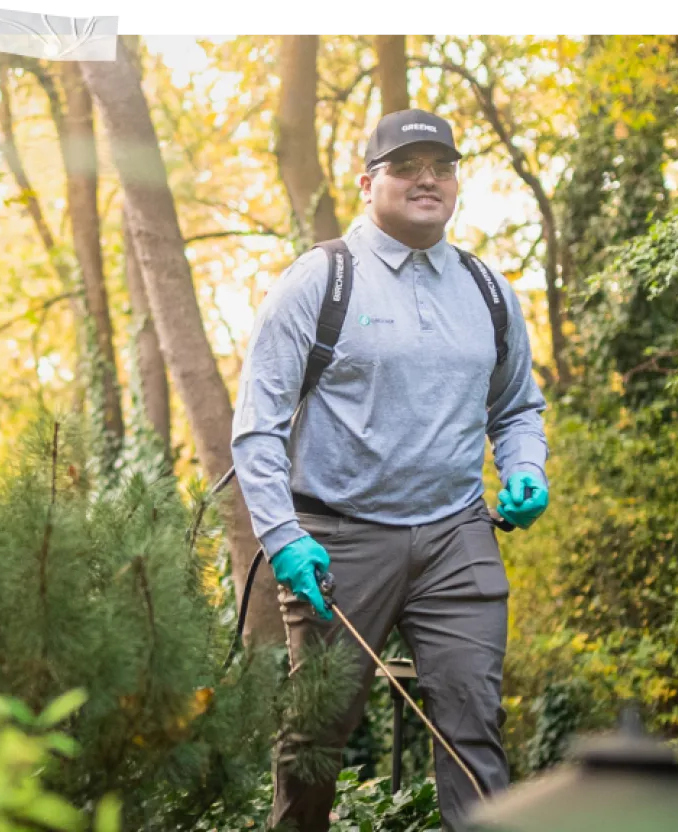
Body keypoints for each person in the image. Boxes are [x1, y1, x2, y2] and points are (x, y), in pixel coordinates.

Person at [231, 108, 550, 831]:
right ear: (369, 181)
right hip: (337, 541)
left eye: (441, 166)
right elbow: (256, 427)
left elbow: (517, 408)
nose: (426, 179)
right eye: (407, 166)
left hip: (456, 538)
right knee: (314, 740)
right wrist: (283, 538)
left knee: (475, 726)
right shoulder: (319, 282)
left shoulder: (489, 291)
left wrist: (525, 467)